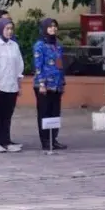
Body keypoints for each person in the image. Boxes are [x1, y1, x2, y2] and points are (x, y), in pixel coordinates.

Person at [0, 19, 24, 152]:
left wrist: (19, 85)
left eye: (11, 29)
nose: (9, 31)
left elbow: (19, 65)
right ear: (0, 29)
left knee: (8, 115)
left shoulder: (14, 45)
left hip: (11, 85)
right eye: (7, 29)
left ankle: (5, 141)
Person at [32, 18, 67, 151]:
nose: (53, 29)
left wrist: (62, 82)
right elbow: (38, 65)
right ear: (44, 28)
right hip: (44, 85)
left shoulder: (57, 44)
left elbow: (60, 64)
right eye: (50, 27)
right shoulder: (39, 45)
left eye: (55, 26)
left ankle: (54, 139)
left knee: (55, 112)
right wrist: (41, 83)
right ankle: (45, 140)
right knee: (44, 112)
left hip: (57, 84)